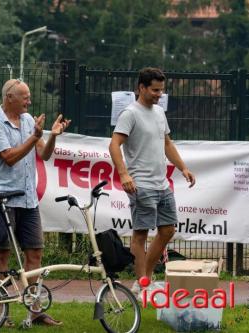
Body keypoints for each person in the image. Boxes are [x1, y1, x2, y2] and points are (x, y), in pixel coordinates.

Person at [0, 78, 70, 326]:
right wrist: (34, 138)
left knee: (35, 254)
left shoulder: (30, 120)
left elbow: (43, 153)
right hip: (3, 199)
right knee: (3, 253)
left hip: (28, 200)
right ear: (9, 97)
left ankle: (35, 311)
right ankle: (0, 312)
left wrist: (52, 135)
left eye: (29, 96)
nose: (29, 101)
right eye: (24, 96)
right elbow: (9, 157)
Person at [109, 67, 196, 296]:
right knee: (140, 235)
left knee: (167, 230)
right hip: (141, 185)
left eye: (161, 90)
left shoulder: (159, 112)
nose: (159, 94)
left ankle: (144, 279)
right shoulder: (130, 113)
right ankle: (142, 283)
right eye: (155, 90)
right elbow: (114, 145)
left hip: (162, 184)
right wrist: (124, 174)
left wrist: (183, 168)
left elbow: (167, 143)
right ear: (141, 88)